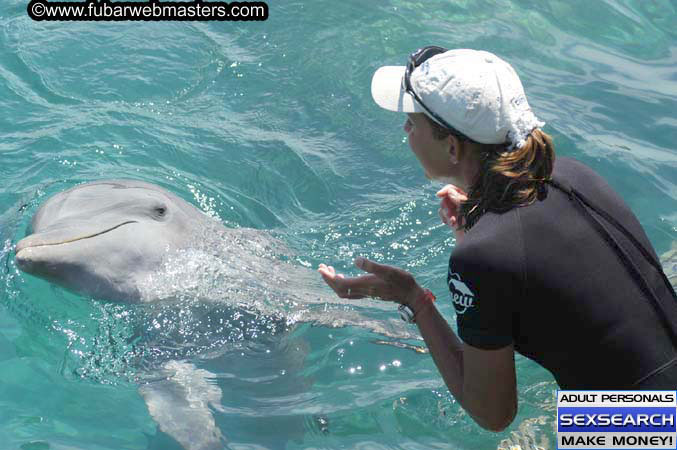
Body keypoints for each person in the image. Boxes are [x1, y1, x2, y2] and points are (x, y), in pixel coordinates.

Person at [318, 47, 677, 432]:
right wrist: (477, 223)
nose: (405, 131)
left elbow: (492, 413)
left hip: (640, 429)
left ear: (452, 147)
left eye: (411, 122)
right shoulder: (572, 175)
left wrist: (413, 300)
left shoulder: (482, 255)